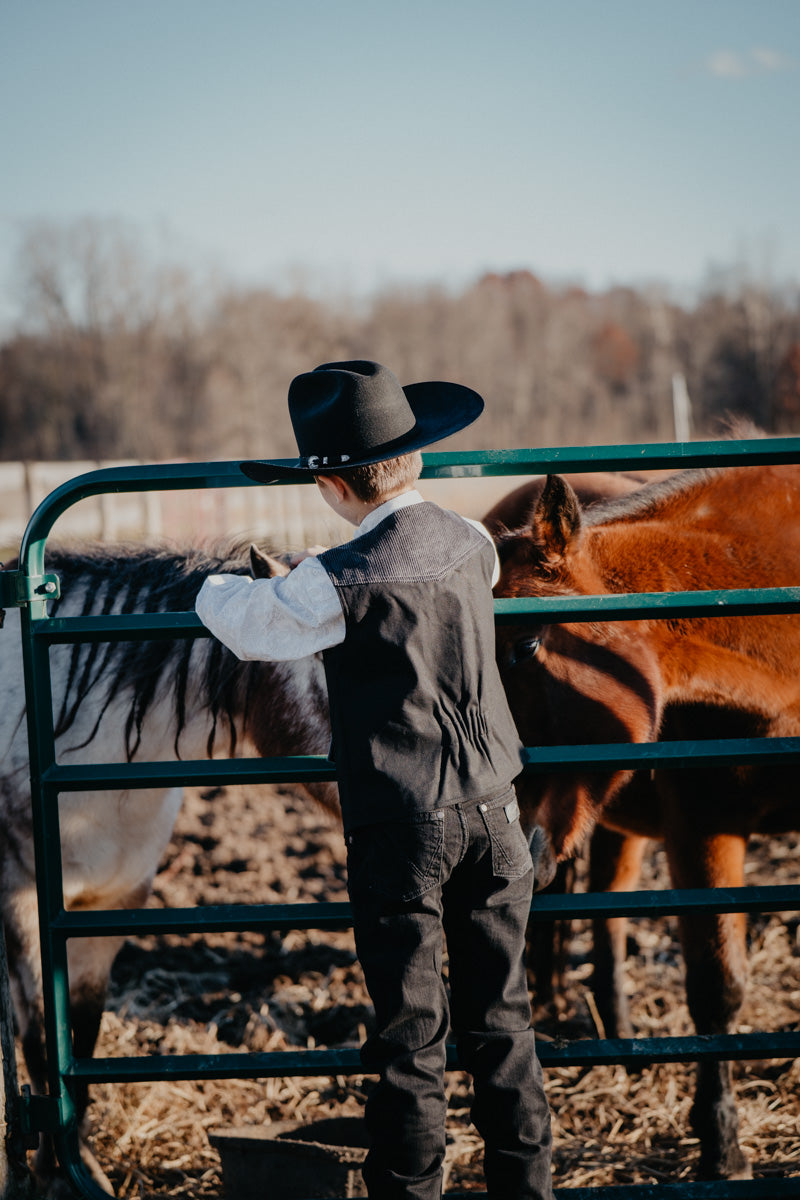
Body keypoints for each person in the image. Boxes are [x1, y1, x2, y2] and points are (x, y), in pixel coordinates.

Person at [195, 360, 553, 1199]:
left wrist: (217, 579)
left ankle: (413, 1188)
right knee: (504, 1023)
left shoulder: (335, 578)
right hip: (496, 806)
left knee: (409, 1039)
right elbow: (463, 583)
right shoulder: (473, 542)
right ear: (416, 456)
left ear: (329, 485)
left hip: (401, 820)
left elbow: (245, 626)